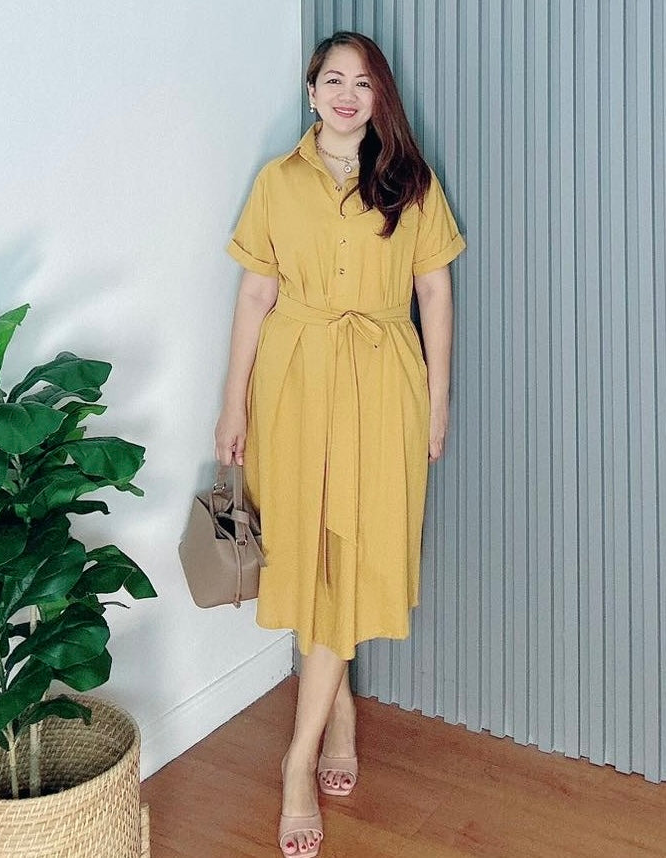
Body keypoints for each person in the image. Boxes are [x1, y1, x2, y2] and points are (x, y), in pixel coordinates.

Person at [215, 30, 466, 858]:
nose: (347, 94)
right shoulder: (277, 181)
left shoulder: (409, 181)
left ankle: (298, 760)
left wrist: (437, 402)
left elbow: (434, 291)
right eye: (333, 79)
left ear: (378, 95)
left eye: (363, 82)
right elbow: (256, 296)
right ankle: (340, 714)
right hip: (293, 384)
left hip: (382, 384)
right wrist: (231, 405)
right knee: (305, 549)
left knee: (353, 548)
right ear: (312, 91)